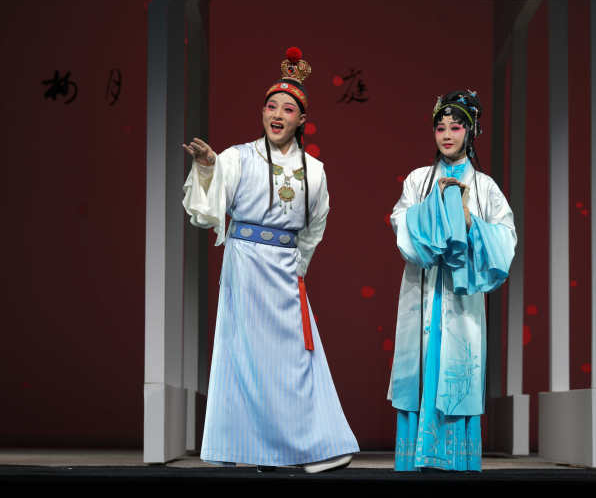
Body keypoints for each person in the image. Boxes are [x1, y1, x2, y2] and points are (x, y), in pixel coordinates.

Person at [181, 47, 359, 473]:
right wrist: (207, 167)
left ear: (302, 119)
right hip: (244, 264)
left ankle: (316, 446)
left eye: (288, 109)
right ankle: (255, 449)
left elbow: (315, 224)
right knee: (246, 357)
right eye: (271, 106)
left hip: (284, 267)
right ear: (262, 112)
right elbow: (206, 210)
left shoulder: (314, 170)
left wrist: (299, 267)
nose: (278, 114)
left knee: (296, 359)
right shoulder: (237, 156)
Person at [387, 90, 517, 472]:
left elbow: (507, 237)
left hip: (462, 297)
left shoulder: (485, 187)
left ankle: (457, 461)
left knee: (458, 370)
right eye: (440, 127)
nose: (446, 135)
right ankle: (416, 460)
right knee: (421, 368)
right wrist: (437, 210)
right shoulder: (418, 180)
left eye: (456, 127)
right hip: (424, 286)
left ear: (470, 132)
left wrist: (470, 221)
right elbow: (400, 221)